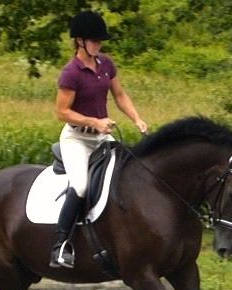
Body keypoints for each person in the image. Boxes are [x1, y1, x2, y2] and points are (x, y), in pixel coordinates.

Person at [50, 10, 148, 268]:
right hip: (77, 139)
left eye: (100, 40)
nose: (99, 44)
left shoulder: (105, 64)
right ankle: (61, 246)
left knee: (127, 175)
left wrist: (136, 118)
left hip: (102, 138)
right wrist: (95, 122)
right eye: (94, 40)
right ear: (80, 41)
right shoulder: (71, 72)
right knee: (81, 186)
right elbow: (62, 112)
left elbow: (120, 95)